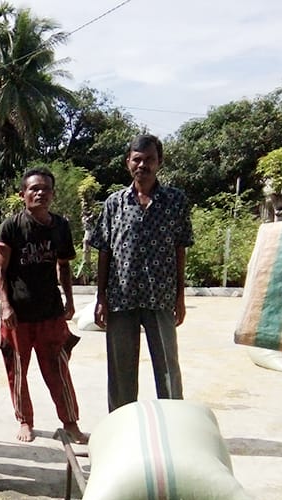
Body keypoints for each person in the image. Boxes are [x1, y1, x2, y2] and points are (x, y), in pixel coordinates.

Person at [90, 134, 193, 411]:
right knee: (120, 369)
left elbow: (180, 249)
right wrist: (101, 296)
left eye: (149, 159)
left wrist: (180, 296)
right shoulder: (114, 203)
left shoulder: (175, 201)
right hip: (121, 299)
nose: (142, 165)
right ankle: (122, 424)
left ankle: (175, 422)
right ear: (128, 163)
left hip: (160, 297)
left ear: (159, 162)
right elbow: (103, 250)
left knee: (168, 367)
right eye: (137, 159)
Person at [0, 168, 87, 444]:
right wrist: (4, 304)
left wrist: (69, 300)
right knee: (18, 370)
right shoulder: (11, 226)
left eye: (45, 189)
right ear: (23, 194)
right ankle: (24, 420)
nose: (40, 193)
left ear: (53, 194)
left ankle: (70, 423)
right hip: (18, 316)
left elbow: (64, 267)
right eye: (34, 189)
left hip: (50, 313)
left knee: (58, 369)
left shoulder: (60, 226)